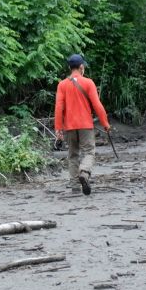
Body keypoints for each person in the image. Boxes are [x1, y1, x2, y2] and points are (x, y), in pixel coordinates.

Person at [54, 54, 110, 196]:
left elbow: (59, 108)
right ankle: (84, 173)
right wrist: (105, 123)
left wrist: (58, 128)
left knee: (73, 155)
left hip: (69, 126)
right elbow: (97, 105)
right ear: (81, 67)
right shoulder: (88, 82)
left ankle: (74, 187)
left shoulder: (62, 85)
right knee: (89, 152)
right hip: (85, 125)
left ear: (69, 68)